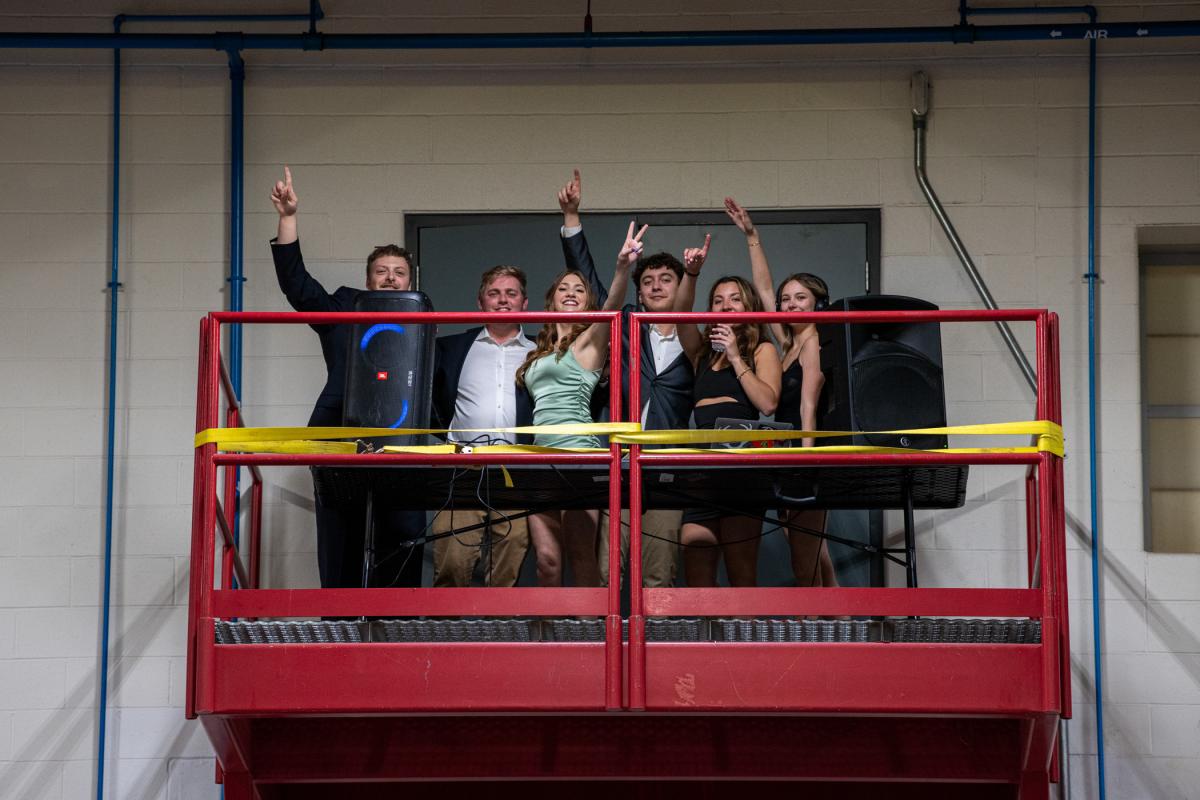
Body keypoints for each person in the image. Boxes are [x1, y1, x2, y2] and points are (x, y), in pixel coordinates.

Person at [269, 165, 425, 589]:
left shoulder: (423, 319)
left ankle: (395, 622)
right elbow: (298, 287)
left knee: (404, 532)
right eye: (382, 272)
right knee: (340, 534)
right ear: (367, 280)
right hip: (340, 431)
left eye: (399, 272)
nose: (390, 278)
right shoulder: (345, 307)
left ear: (410, 282)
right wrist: (288, 219)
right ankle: (337, 620)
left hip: (403, 438)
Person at [557, 169, 698, 589]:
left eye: (666, 280)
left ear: (680, 287)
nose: (655, 287)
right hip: (618, 463)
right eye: (648, 281)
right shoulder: (623, 326)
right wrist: (571, 218)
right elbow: (590, 279)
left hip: (668, 467)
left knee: (658, 575)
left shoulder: (696, 339)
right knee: (607, 575)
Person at [515, 221, 646, 587]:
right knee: (546, 561)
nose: (571, 293)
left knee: (580, 553)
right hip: (540, 458)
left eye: (579, 289)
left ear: (587, 301)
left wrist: (622, 268)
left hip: (579, 457)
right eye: (563, 288)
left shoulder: (589, 342)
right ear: (552, 298)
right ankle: (551, 626)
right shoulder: (537, 351)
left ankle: (589, 625)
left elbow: (613, 305)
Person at [725, 196, 839, 589]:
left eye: (800, 298)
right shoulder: (789, 342)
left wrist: (804, 464)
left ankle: (812, 624)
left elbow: (808, 406)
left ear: (818, 304)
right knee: (816, 556)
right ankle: (841, 620)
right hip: (788, 454)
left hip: (804, 458)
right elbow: (763, 288)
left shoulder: (814, 343)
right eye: (786, 299)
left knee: (803, 562)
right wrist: (751, 236)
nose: (790, 305)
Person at [673, 256, 782, 587]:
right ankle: (706, 624)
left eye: (735, 299)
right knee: (695, 560)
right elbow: (679, 314)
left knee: (741, 571)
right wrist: (691, 273)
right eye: (718, 301)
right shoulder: (701, 352)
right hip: (702, 470)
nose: (726, 306)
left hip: (741, 469)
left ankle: (743, 624)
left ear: (748, 305)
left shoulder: (762, 349)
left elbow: (768, 403)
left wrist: (735, 357)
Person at [429, 265, 536, 588]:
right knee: (452, 558)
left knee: (511, 553)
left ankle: (497, 619)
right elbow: (430, 400)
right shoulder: (452, 347)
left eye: (511, 294)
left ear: (524, 303)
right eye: (494, 293)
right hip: (463, 466)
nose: (503, 300)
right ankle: (448, 620)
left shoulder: (539, 351)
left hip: (517, 469)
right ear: (480, 302)